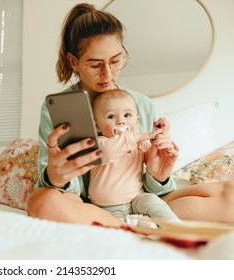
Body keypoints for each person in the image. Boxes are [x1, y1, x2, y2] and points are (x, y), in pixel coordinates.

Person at [27, 3, 234, 226]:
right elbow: (60, 189)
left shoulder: (141, 105)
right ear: (73, 62)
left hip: (138, 201)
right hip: (85, 205)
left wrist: (158, 175)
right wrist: (57, 177)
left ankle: (126, 224)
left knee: (230, 194)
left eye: (116, 60)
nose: (108, 74)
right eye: (95, 65)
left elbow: (154, 189)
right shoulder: (58, 110)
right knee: (41, 201)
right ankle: (129, 226)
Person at [89, 88, 179, 222]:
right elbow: (107, 152)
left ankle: (174, 225)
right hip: (107, 207)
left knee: (153, 202)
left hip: (137, 198)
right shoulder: (100, 143)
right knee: (118, 229)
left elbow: (155, 158)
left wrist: (161, 134)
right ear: (97, 126)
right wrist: (137, 137)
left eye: (127, 115)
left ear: (137, 121)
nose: (121, 121)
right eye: (111, 116)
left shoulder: (139, 144)